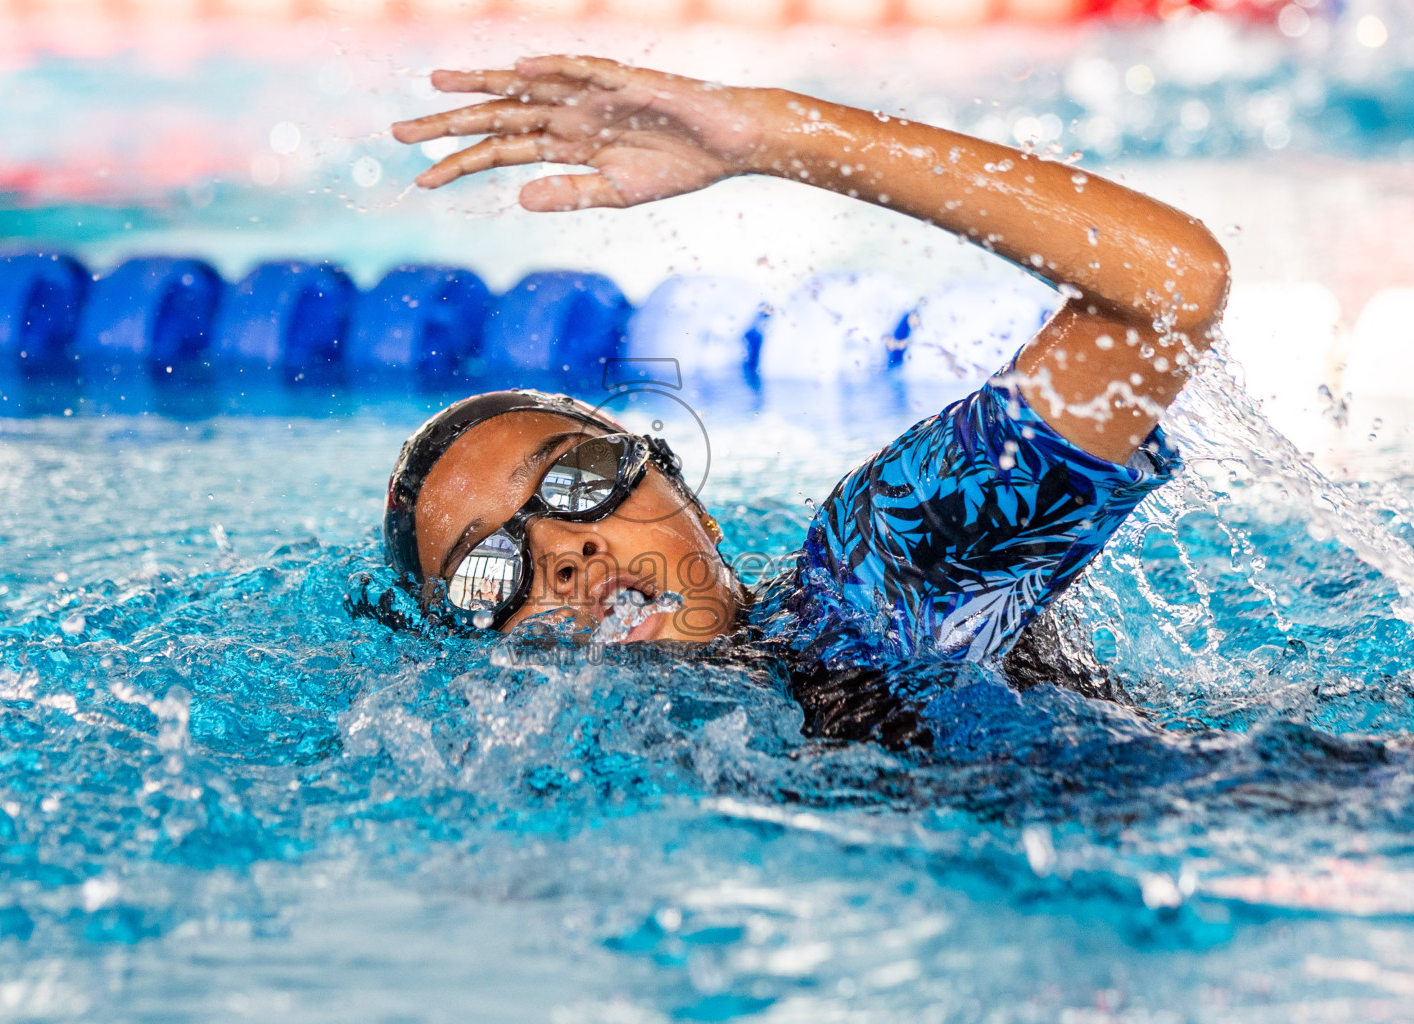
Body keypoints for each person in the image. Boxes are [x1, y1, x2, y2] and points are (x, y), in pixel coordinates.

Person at [372, 56, 1229, 745]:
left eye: (577, 478)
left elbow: (1169, 285)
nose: (562, 550)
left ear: (691, 504)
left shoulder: (868, 595)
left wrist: (771, 136)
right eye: (488, 572)